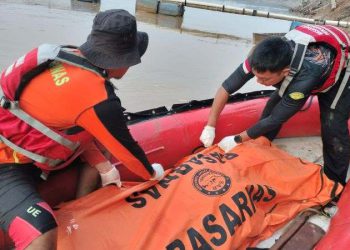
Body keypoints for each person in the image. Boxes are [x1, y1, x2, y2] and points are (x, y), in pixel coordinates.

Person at [0, 9, 164, 249]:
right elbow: (132, 155)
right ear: (122, 60)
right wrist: (153, 174)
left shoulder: (66, 56)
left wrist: (103, 166)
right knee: (42, 234)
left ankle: (82, 213)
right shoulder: (99, 99)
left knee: (101, 146)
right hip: (7, 164)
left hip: (26, 145)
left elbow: (64, 120)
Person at [200, 24, 350, 186]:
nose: (259, 82)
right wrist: (210, 125)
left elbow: (276, 118)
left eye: (265, 80)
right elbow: (227, 87)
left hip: (341, 68)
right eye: (256, 76)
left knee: (332, 126)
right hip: (313, 45)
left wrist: (236, 139)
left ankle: (334, 185)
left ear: (285, 72)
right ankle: (259, 149)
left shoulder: (305, 78)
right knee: (273, 103)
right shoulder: (259, 58)